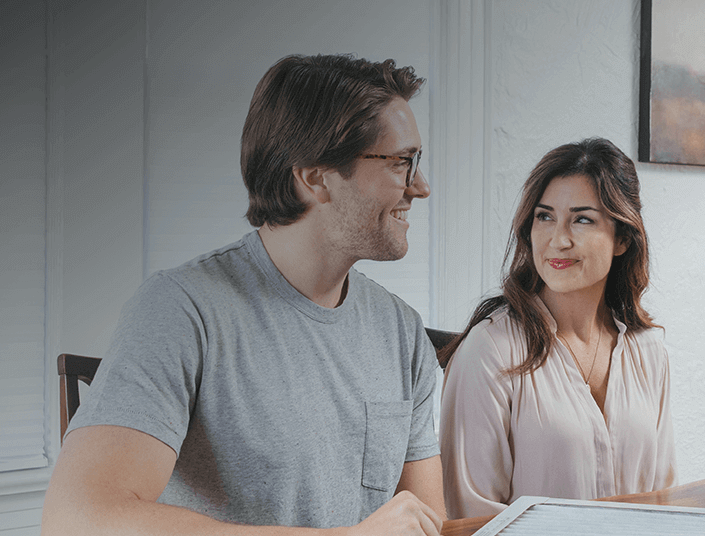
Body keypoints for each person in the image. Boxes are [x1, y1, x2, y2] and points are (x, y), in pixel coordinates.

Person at [41, 54, 445, 536]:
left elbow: (427, 523)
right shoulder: (182, 310)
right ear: (315, 176)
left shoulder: (400, 332)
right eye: (401, 163)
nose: (420, 187)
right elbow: (77, 519)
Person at [438, 138, 676, 519]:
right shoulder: (491, 350)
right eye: (544, 216)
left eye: (582, 219)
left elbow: (664, 500)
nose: (557, 239)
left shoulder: (648, 351)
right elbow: (469, 518)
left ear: (623, 239)